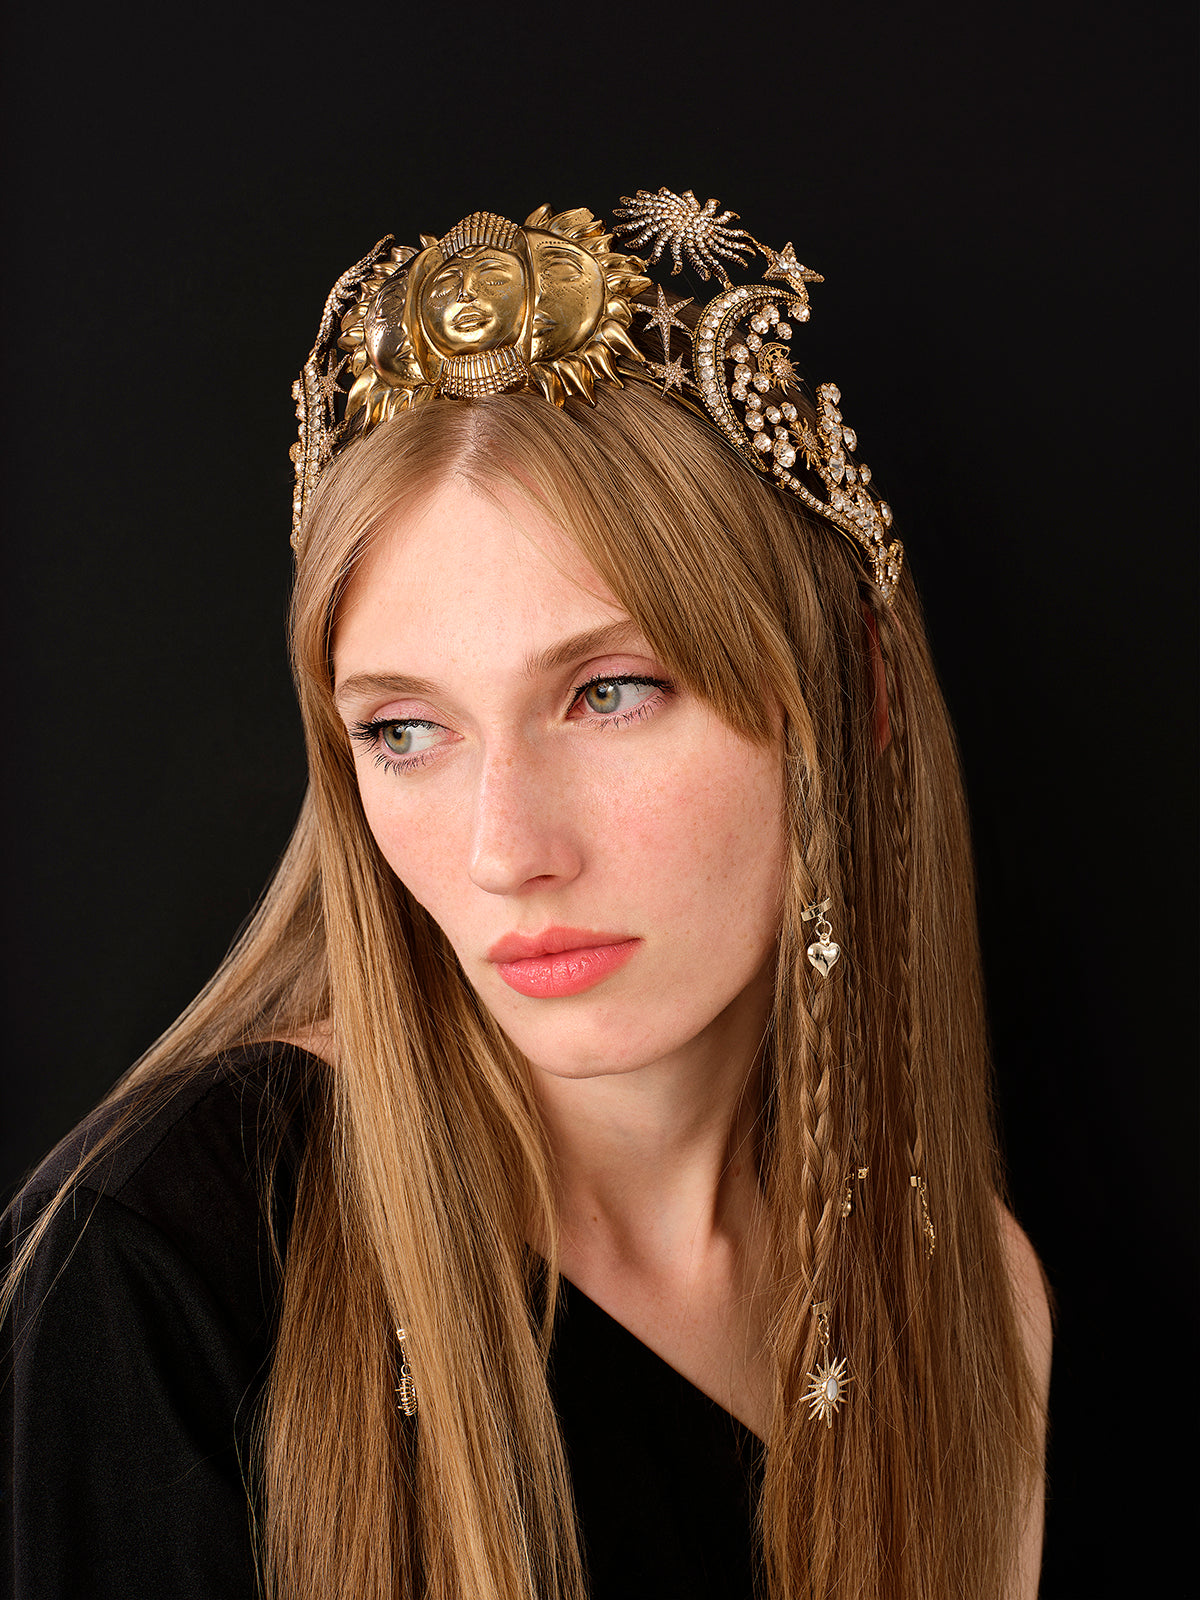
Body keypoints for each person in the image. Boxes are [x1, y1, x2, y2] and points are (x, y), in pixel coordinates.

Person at [2, 187, 1051, 1600]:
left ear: (851, 694)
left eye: (609, 693)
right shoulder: (161, 1266)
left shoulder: (965, 1294)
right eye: (405, 730)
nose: (506, 851)